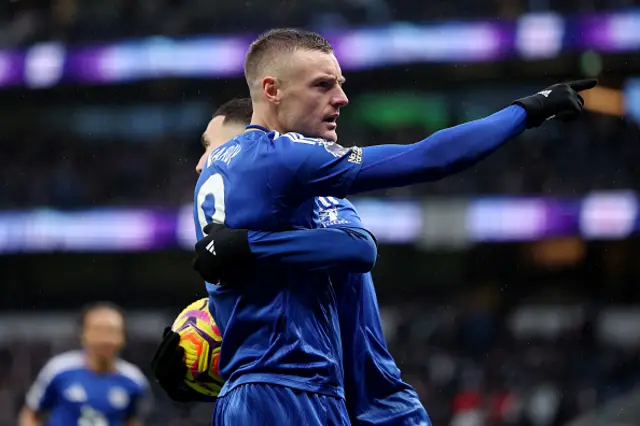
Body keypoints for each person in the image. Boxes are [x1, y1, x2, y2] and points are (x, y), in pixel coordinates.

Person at [194, 28, 594, 426]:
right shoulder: (281, 157)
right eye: (322, 85)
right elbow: (425, 159)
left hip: (245, 393)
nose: (341, 98)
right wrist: (527, 110)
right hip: (291, 391)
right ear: (272, 90)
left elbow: (248, 269)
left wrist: (253, 248)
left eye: (340, 84)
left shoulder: (213, 169)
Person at [153, 98, 430, 425]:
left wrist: (251, 245)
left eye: (211, 145)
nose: (201, 164)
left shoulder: (320, 202)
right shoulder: (236, 228)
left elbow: (358, 249)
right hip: (316, 401)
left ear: (247, 143)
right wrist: (192, 365)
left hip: (370, 407)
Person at [19, 302, 150, 426]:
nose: (104, 338)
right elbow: (31, 414)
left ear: (123, 337)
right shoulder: (58, 370)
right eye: (97, 330)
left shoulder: (134, 380)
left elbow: (132, 420)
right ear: (83, 334)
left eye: (111, 331)